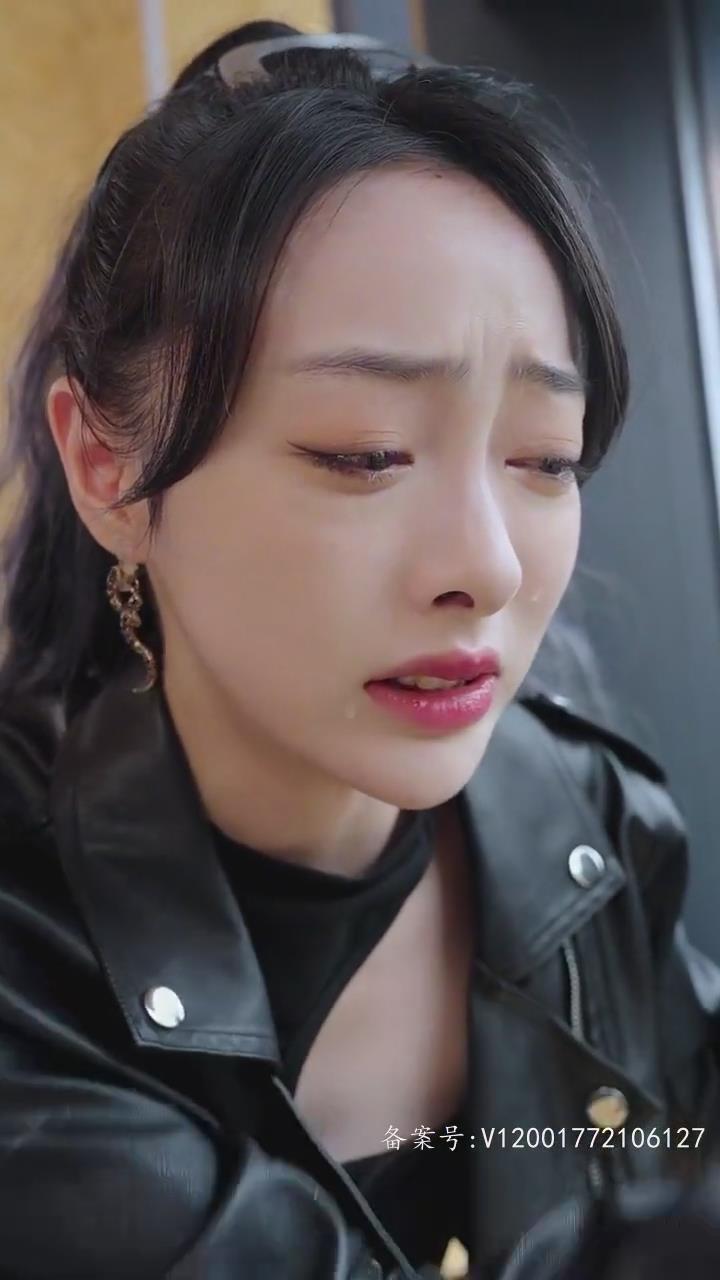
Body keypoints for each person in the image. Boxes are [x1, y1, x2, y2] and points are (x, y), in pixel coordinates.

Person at [0, 18, 718, 1280]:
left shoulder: (584, 821)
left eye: (546, 459)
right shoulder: (26, 938)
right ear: (106, 465)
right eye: (365, 453)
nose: (488, 565)